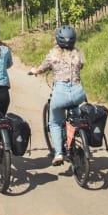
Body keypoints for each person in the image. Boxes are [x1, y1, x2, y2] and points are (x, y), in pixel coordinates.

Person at [27, 25, 86, 166]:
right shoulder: (78, 54)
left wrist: (34, 71)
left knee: (54, 123)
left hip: (60, 94)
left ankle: (59, 153)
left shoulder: (53, 55)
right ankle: (78, 127)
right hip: (78, 92)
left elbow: (41, 69)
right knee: (75, 109)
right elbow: (81, 66)